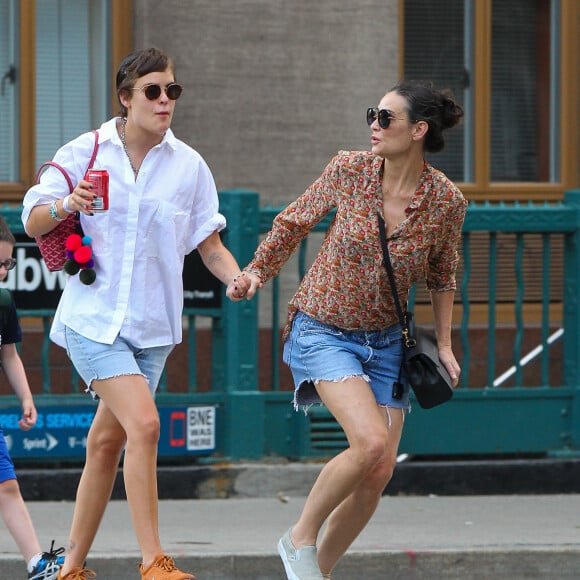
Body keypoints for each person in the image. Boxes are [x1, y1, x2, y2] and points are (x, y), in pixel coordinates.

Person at [22, 47, 247, 580]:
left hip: (153, 329)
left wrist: (235, 277)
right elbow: (32, 222)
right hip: (92, 321)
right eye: (153, 91)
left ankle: (69, 567)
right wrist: (66, 206)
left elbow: (209, 246)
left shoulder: (189, 166)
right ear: (126, 99)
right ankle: (154, 561)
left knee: (106, 444)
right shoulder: (86, 150)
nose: (165, 100)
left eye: (173, 90)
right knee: (144, 424)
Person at [230, 81, 467, 579]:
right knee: (371, 443)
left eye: (385, 119)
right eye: (372, 116)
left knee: (378, 471)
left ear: (418, 130)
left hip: (386, 341)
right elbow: (295, 222)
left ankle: (317, 570)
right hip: (323, 327)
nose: (373, 127)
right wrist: (255, 271)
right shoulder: (350, 169)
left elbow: (444, 274)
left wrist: (444, 343)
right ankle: (298, 539)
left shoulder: (446, 201)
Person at [0, 217, 66, 580]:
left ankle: (36, 563)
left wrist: (26, 396)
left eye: (7, 263)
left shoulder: (3, 302)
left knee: (7, 485)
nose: (3, 271)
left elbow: (8, 353)